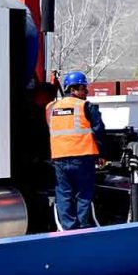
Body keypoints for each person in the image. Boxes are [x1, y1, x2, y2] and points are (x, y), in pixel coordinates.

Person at [47, 71, 105, 230]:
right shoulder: (85, 106)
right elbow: (99, 130)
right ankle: (83, 226)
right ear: (73, 89)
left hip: (59, 158)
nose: (86, 92)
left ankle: (68, 228)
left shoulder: (52, 108)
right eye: (84, 88)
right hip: (82, 157)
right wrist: (101, 154)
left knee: (64, 194)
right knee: (83, 194)